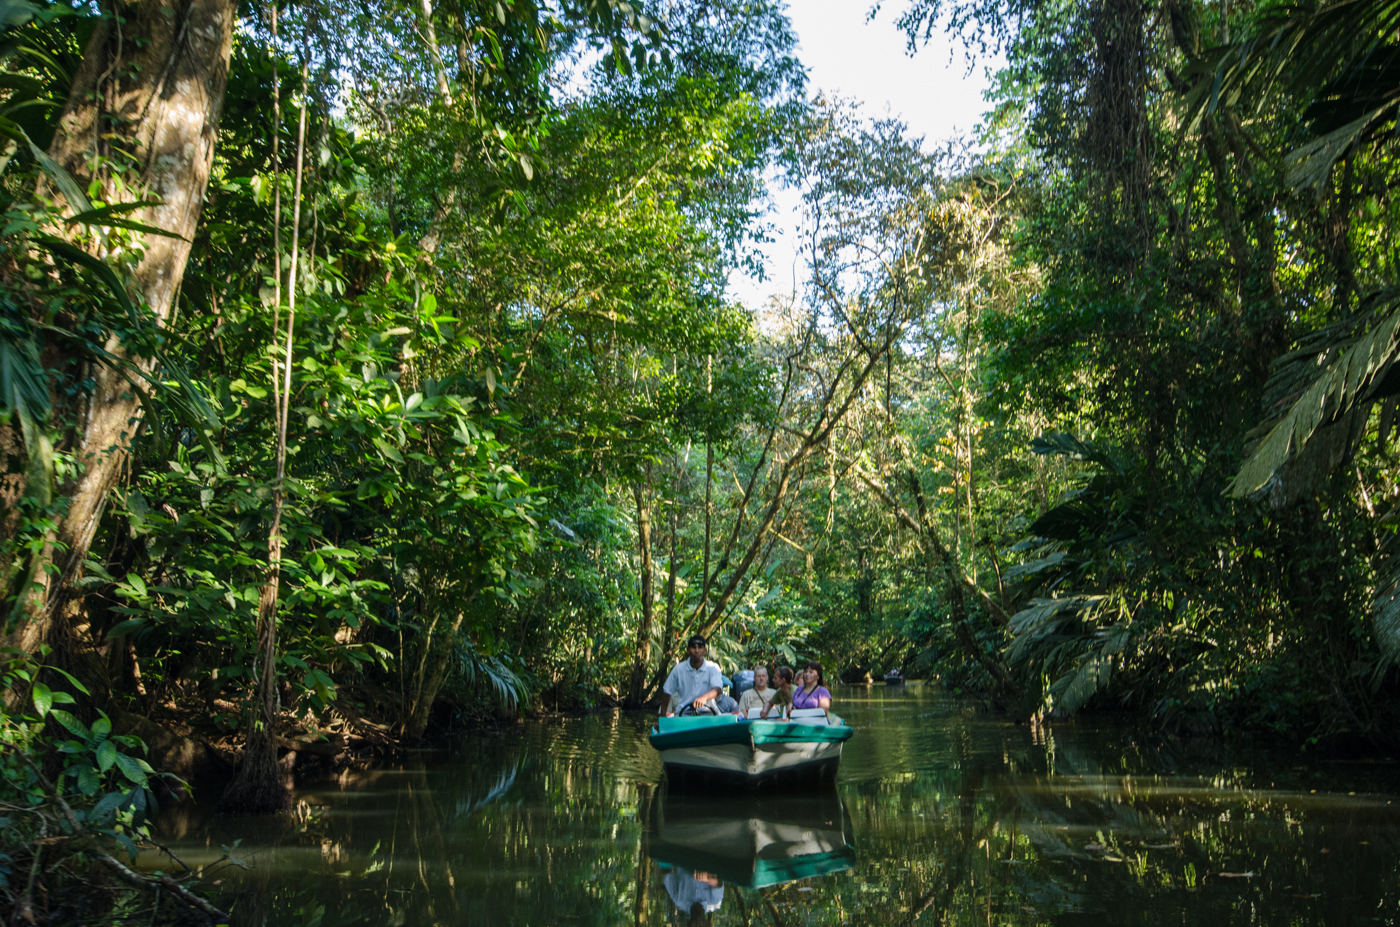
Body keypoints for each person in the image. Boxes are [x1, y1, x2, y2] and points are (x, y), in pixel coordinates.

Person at [660, 635, 723, 716]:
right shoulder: (678, 669)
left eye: (700, 647)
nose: (696, 651)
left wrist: (704, 697)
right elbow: (667, 692)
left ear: (705, 650)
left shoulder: (713, 667)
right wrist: (662, 717)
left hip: (709, 713)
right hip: (684, 714)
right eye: (693, 647)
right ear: (688, 650)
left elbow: (717, 689)